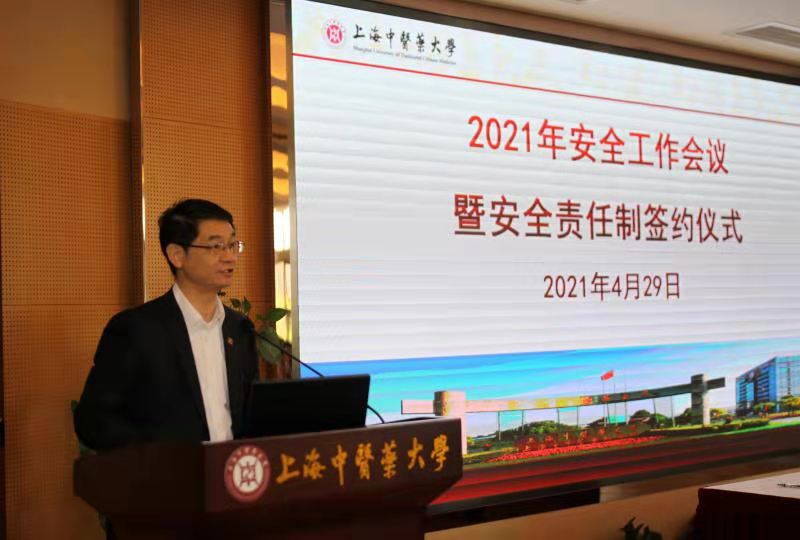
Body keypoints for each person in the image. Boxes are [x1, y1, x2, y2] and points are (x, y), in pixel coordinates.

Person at [74, 199, 258, 452]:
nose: (230, 257)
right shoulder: (135, 329)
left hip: (232, 472)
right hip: (166, 473)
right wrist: (159, 455)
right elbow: (93, 422)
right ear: (177, 255)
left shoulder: (240, 328)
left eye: (232, 245)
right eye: (216, 246)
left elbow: (249, 415)